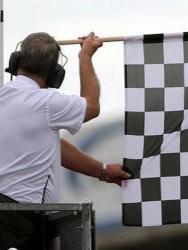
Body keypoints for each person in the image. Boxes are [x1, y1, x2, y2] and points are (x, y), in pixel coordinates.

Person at [0, 32, 130, 249]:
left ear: (15, 63)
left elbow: (55, 148)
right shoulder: (46, 103)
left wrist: (103, 170)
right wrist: (85, 57)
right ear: (54, 73)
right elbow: (91, 107)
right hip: (23, 217)